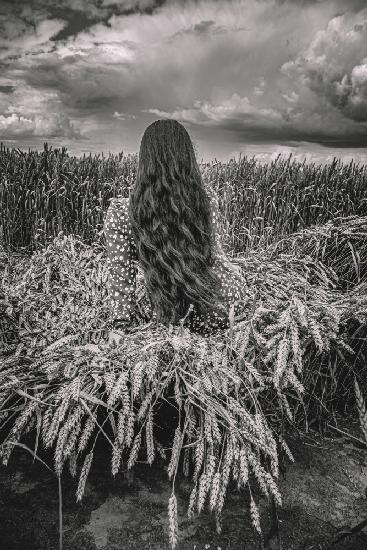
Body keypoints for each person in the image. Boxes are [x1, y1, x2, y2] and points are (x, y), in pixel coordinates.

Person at [103, 119, 250, 344]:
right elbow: (213, 255)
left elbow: (120, 276)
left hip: (179, 316)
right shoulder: (205, 200)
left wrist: (119, 326)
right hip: (230, 305)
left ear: (145, 160)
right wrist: (235, 272)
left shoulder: (122, 213)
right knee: (233, 278)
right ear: (188, 158)